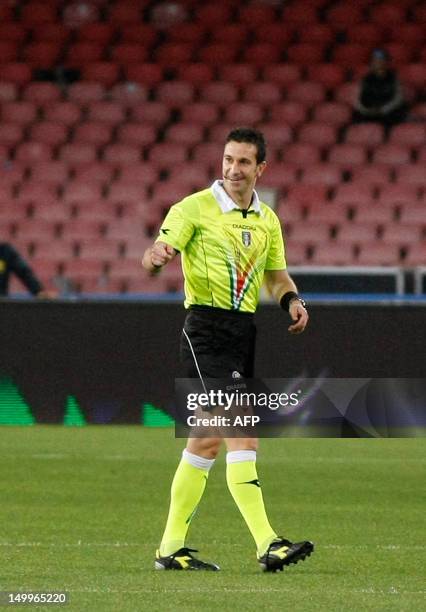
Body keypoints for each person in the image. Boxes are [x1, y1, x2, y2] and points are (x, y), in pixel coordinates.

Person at [142, 127, 313, 572]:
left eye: (242, 162)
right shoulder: (194, 207)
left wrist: (292, 300)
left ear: (261, 169)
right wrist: (158, 255)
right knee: (243, 430)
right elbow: (156, 251)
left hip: (242, 333)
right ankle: (268, 543)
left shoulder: (267, 219)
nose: (233, 170)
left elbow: (276, 276)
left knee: (207, 442)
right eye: (227, 160)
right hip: (205, 333)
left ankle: (170, 548)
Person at [352, 48, 408, 128]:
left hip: (387, 112)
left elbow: (398, 98)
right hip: (369, 112)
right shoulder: (366, 79)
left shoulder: (393, 78)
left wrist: (383, 109)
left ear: (386, 62)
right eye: (374, 61)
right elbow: (358, 100)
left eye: (380, 60)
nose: (377, 63)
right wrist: (366, 110)